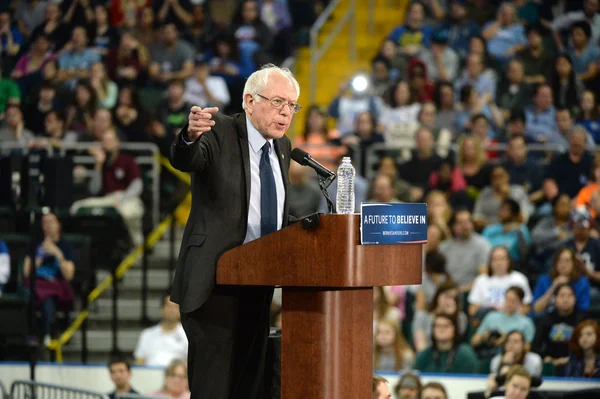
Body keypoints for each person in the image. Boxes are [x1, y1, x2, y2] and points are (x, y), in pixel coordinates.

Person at [169, 64, 298, 398]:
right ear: (249, 101)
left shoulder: (282, 147)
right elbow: (188, 158)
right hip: (214, 284)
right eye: (278, 102)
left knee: (249, 386)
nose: (285, 113)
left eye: (292, 106)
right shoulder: (219, 131)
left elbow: (267, 208)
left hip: (258, 282)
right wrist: (190, 135)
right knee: (214, 388)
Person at [531, 283, 586, 374]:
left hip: (576, 361)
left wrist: (570, 358)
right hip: (549, 362)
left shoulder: (582, 320)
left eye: (570, 295)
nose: (566, 299)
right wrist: (545, 357)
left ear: (575, 299)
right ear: (555, 299)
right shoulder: (545, 319)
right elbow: (535, 346)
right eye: (562, 296)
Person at [134, 295, 188, 367]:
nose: (171, 310)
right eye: (168, 306)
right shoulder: (147, 334)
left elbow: (191, 362)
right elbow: (139, 361)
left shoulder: (187, 335)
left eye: (175, 307)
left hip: (177, 376)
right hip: (150, 375)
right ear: (162, 309)